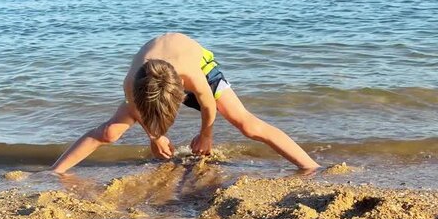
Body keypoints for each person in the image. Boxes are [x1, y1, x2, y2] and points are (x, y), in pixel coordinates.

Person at [51, 33, 319, 173]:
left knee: (246, 124)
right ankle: (55, 171)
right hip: (152, 77)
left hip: (200, 63)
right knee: (110, 132)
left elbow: (207, 105)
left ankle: (310, 166)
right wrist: (155, 137)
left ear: (181, 90)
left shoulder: (192, 75)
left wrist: (206, 135)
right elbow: (137, 109)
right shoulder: (132, 82)